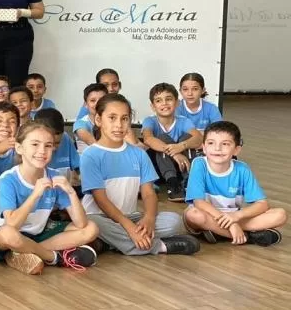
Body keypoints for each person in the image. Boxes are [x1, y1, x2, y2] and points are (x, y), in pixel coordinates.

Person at [81, 94, 200, 256]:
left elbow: (149, 193)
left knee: (174, 221)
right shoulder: (90, 155)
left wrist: (149, 218)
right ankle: (159, 246)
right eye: (112, 118)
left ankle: (111, 243)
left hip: (131, 216)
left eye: (124, 118)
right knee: (92, 224)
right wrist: (129, 228)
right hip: (100, 217)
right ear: (98, 120)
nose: (119, 125)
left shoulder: (139, 154)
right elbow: (100, 199)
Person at [0, 122, 98, 275]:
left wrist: (71, 193)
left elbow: (81, 223)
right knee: (9, 234)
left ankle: (22, 252)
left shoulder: (55, 176)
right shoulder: (8, 178)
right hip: (5, 234)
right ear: (19, 148)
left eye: (48, 146)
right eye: (35, 144)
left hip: (37, 234)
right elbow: (12, 224)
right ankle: (53, 257)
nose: (42, 151)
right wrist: (35, 194)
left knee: (91, 228)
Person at [183, 121, 286, 246]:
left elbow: (262, 204)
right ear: (204, 147)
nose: (217, 148)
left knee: (280, 214)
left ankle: (219, 232)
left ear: (236, 150)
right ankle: (248, 237)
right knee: (193, 215)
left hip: (233, 216)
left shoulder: (242, 169)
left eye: (225, 144)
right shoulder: (199, 164)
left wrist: (236, 217)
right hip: (208, 214)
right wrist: (232, 224)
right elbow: (199, 203)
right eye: (211, 143)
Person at [142, 83, 203, 202]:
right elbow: (148, 139)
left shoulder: (184, 121)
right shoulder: (149, 121)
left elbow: (198, 138)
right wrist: (175, 153)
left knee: (188, 137)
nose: (164, 103)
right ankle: (172, 184)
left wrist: (181, 146)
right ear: (153, 106)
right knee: (162, 138)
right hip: (159, 168)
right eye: (158, 101)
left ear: (177, 103)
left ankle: (189, 180)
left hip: (181, 166)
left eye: (168, 99)